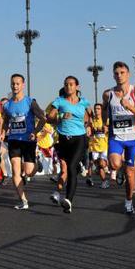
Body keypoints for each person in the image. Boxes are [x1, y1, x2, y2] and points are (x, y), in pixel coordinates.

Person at [102, 61, 135, 215]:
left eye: (122, 73)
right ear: (113, 75)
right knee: (115, 165)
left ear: (128, 74)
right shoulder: (108, 94)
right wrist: (104, 117)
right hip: (115, 137)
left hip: (133, 138)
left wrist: (130, 106)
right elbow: (104, 115)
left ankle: (129, 201)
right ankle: (120, 170)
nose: (119, 76)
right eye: (116, 73)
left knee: (131, 174)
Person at [46, 76, 92, 213]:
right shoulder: (59, 101)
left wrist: (88, 125)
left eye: (71, 84)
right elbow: (49, 117)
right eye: (66, 84)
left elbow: (90, 116)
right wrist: (60, 116)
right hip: (63, 140)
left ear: (77, 87)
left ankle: (68, 200)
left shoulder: (83, 102)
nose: (68, 87)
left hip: (79, 139)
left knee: (71, 167)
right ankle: (79, 166)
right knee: (66, 168)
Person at [1, 74, 45, 210]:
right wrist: (2, 133)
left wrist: (35, 132)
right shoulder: (7, 105)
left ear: (23, 85)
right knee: (15, 171)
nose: (15, 86)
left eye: (18, 84)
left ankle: (36, 164)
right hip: (14, 140)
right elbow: (7, 120)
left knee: (29, 171)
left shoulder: (30, 102)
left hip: (28, 140)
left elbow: (43, 118)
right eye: (13, 83)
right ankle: (23, 200)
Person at [87, 104, 109, 189]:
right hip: (94, 146)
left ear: (101, 110)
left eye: (98, 109)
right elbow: (88, 128)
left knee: (101, 164)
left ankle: (103, 170)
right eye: (95, 109)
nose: (96, 110)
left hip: (104, 146)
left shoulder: (105, 119)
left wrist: (107, 129)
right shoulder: (92, 120)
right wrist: (89, 129)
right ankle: (103, 181)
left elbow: (111, 129)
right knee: (94, 163)